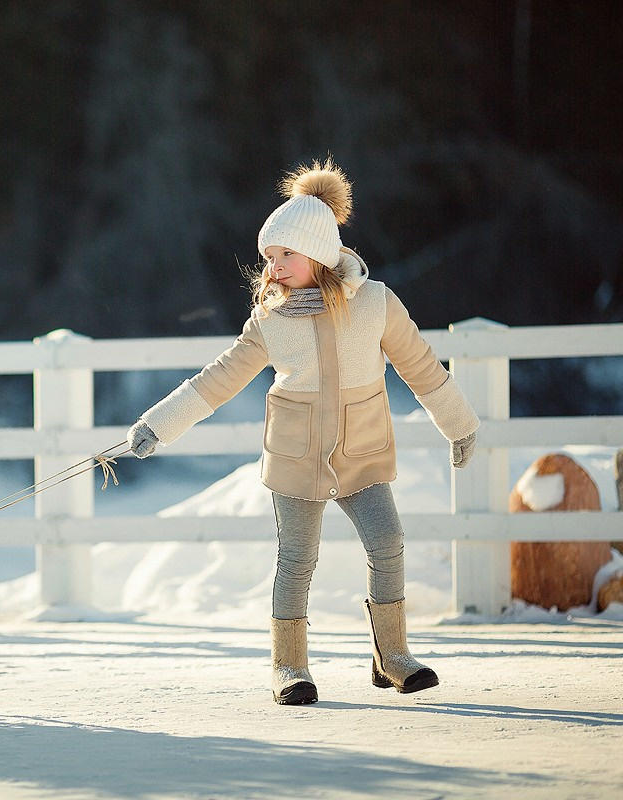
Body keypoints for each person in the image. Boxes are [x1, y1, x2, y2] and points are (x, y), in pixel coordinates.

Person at [126, 158, 478, 706]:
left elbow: (422, 366)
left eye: (284, 253)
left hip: (361, 450)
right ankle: (288, 666)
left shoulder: (376, 304)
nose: (273, 267)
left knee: (387, 542)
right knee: (298, 558)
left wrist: (458, 424)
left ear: (318, 249)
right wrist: (158, 424)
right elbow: (218, 379)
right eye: (269, 256)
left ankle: (393, 656)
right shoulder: (271, 318)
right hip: (297, 455)